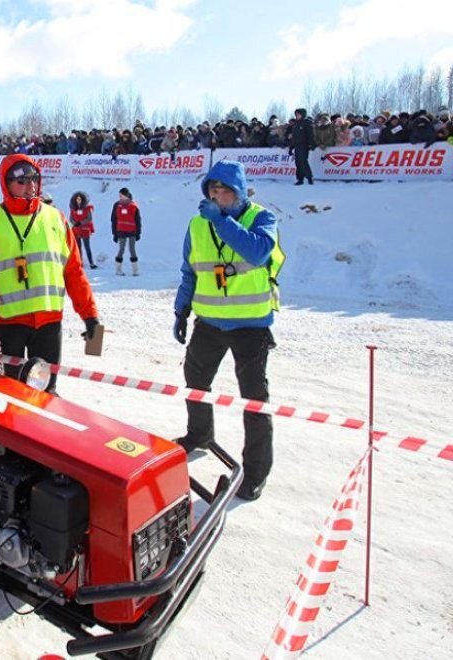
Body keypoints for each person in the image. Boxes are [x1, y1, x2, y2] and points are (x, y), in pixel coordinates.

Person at [172, 160, 284, 502]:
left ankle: (255, 472)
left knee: (253, 400)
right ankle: (200, 434)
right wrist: (181, 310)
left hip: (250, 325)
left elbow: (257, 251)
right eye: (213, 190)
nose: (218, 196)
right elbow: (190, 270)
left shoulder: (261, 218)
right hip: (208, 322)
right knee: (195, 382)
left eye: (225, 191)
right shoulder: (196, 224)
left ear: (239, 190)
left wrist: (221, 220)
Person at [0, 155, 100, 394]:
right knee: (10, 394)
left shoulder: (56, 219)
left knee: (47, 393)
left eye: (34, 179)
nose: (31, 186)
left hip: (49, 324)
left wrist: (90, 316)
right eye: (22, 181)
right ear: (6, 183)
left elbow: (74, 272)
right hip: (8, 324)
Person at [111, 187, 142, 276]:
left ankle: (135, 270)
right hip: (121, 231)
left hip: (132, 231)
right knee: (121, 249)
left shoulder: (133, 206)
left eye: (122, 195)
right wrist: (114, 233)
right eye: (119, 195)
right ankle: (118, 269)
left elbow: (138, 220)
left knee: (132, 249)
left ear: (126, 195)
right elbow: (114, 219)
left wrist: (138, 232)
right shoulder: (117, 205)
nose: (120, 197)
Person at [68, 191, 97, 269]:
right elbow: (70, 218)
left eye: (80, 199)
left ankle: (91, 263)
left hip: (85, 230)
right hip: (76, 230)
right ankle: (79, 262)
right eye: (77, 199)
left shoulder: (87, 208)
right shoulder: (73, 208)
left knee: (87, 247)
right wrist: (75, 223)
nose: (78, 201)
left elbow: (89, 218)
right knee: (78, 247)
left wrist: (81, 223)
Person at [290, 108, 316, 186]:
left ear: (302, 115)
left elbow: (310, 135)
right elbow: (294, 137)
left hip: (304, 145)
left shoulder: (307, 123)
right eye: (296, 114)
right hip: (297, 146)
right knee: (297, 162)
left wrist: (311, 144)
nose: (297, 116)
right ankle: (300, 179)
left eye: (298, 114)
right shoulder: (296, 124)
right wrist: (291, 147)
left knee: (303, 162)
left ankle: (309, 178)